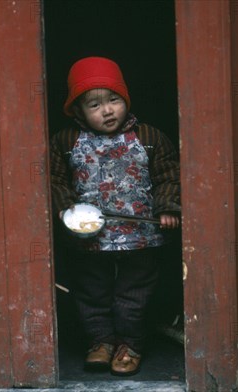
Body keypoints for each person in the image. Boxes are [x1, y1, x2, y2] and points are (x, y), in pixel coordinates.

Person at [50, 56, 180, 376]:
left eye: (114, 100)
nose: (107, 110)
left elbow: (169, 176)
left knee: (132, 297)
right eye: (94, 105)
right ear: (77, 111)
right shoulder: (66, 142)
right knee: (91, 293)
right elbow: (54, 179)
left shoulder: (149, 138)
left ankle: (131, 344)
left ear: (126, 99)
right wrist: (66, 208)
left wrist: (167, 208)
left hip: (141, 238)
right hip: (89, 237)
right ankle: (101, 341)